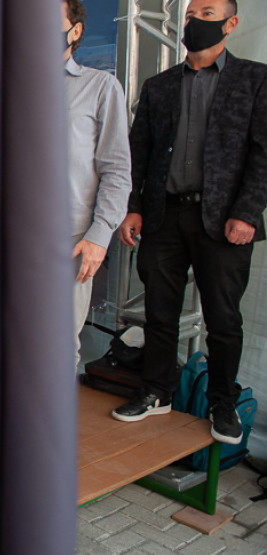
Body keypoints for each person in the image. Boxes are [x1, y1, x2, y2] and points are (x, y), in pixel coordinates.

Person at [113, 0, 267, 446]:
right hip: (164, 214)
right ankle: (156, 391)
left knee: (223, 319)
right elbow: (137, 154)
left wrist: (247, 212)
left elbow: (263, 154)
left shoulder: (254, 79)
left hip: (224, 220)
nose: (195, 19)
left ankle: (223, 402)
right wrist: (133, 206)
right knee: (160, 311)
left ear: (230, 23)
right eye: (192, 12)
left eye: (207, 12)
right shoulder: (159, 85)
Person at [61, 0, 131, 371]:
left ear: (75, 31)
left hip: (69, 241)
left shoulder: (100, 87)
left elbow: (117, 170)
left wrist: (100, 235)